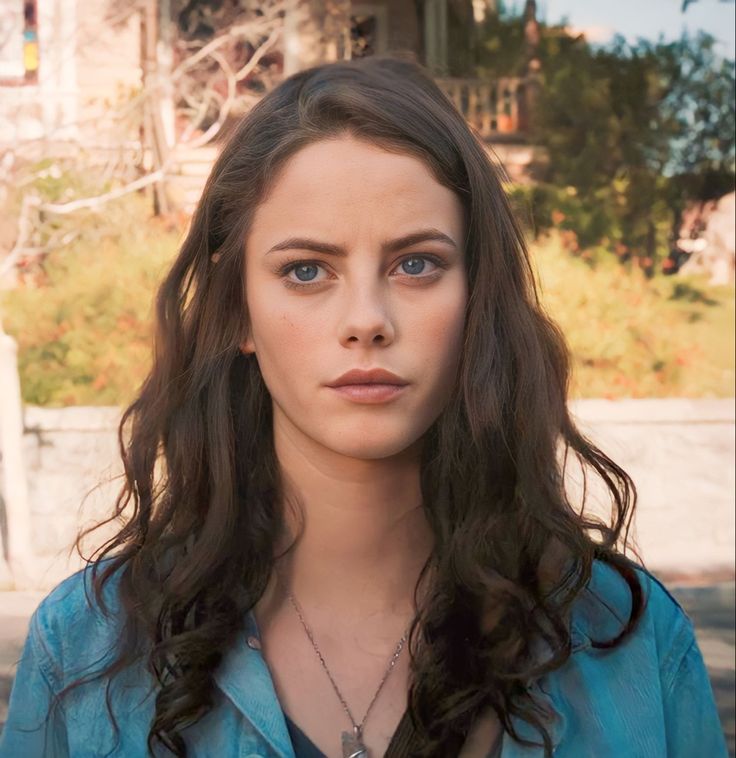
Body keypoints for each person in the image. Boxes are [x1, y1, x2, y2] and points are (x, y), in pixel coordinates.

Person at [0, 57, 727, 758]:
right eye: (306, 271)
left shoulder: (629, 641)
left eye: (417, 264)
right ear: (239, 311)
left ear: (479, 296)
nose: (367, 319)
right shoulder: (84, 650)